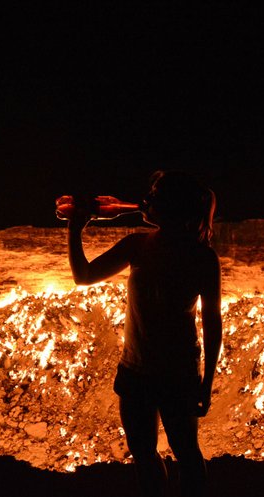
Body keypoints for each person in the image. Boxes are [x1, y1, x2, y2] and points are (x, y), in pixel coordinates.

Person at [67, 170, 223, 497]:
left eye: (156, 194)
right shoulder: (140, 246)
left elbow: (212, 324)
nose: (147, 200)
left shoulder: (200, 259)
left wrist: (207, 383)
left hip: (175, 374)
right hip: (137, 371)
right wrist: (75, 228)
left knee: (186, 452)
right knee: (144, 452)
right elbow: (83, 276)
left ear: (173, 207)